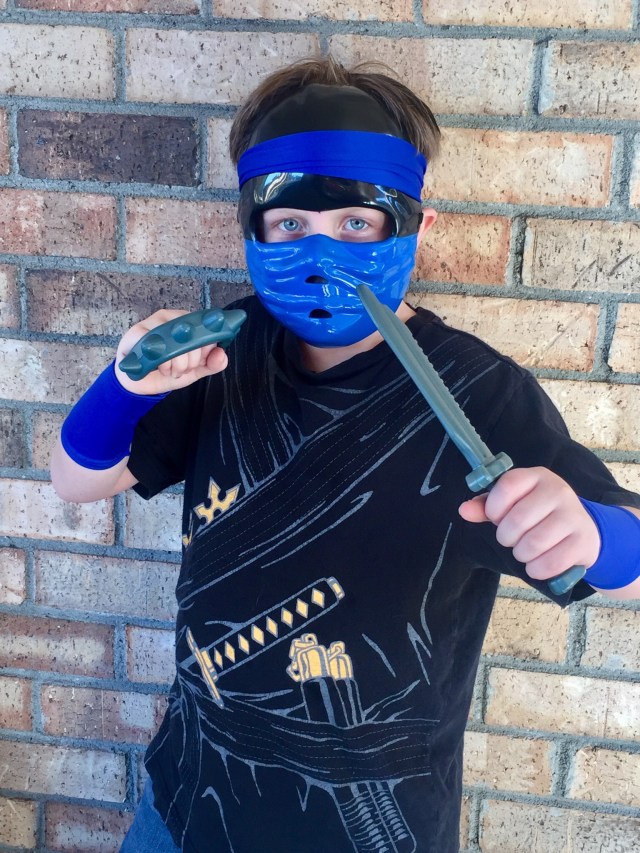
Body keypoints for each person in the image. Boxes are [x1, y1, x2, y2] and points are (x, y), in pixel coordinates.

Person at [51, 57, 640, 853]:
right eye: (290, 224)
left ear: (417, 226)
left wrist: (593, 535)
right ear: (251, 226)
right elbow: (75, 481)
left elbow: (629, 559)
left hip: (370, 831)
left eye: (357, 223)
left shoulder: (479, 391)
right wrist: (122, 389)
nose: (321, 251)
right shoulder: (220, 349)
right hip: (185, 808)